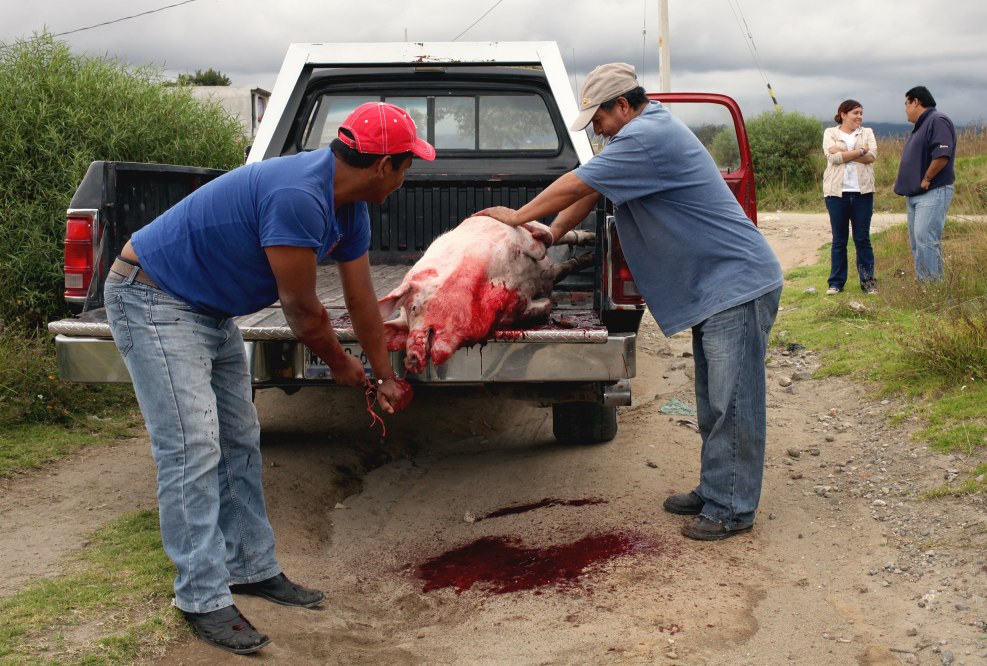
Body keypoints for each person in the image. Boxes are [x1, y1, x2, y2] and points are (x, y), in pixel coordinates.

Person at [104, 102, 434, 654]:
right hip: (153, 298)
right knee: (192, 446)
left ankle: (250, 567)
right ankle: (201, 597)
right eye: (406, 167)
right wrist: (342, 366)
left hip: (209, 310)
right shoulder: (298, 196)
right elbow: (302, 311)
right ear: (383, 167)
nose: (405, 179)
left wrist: (384, 373)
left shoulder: (350, 207)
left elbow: (359, 300)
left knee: (238, 438)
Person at [476, 63, 783, 541]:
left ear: (623, 106)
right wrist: (551, 233)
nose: (595, 130)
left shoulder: (648, 136)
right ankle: (717, 487)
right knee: (712, 399)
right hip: (716, 287)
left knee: (733, 402)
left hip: (736, 283)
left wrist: (517, 216)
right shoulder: (636, 138)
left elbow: (576, 183)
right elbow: (592, 185)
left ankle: (732, 507)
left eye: (597, 119)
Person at [893, 86, 957, 282]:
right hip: (915, 195)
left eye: (906, 103)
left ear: (916, 102)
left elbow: (942, 154)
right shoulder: (922, 125)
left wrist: (927, 178)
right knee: (918, 243)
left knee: (926, 240)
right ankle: (926, 288)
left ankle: (933, 291)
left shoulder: (937, 120)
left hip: (933, 191)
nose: (905, 108)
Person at [822, 99, 878, 295]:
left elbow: (872, 157)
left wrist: (845, 152)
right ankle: (836, 283)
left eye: (861, 113)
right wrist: (860, 151)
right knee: (839, 240)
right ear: (843, 114)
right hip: (836, 193)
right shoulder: (830, 133)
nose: (859, 117)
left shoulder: (867, 132)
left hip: (863, 193)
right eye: (855, 113)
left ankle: (868, 282)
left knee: (862, 238)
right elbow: (833, 159)